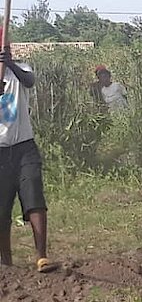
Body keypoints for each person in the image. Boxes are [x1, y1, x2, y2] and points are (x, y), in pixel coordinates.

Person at [0, 44, 58, 273]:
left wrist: (10, 65)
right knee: (2, 208)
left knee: (34, 196)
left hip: (25, 147)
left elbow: (30, 81)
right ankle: (6, 262)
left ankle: (42, 256)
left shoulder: (21, 70)